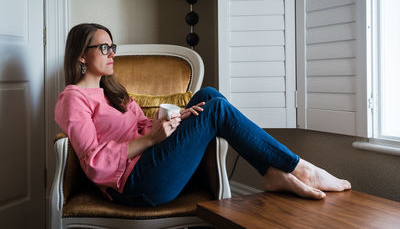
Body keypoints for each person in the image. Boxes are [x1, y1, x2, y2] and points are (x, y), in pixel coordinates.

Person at [55, 23, 351, 207]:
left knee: (208, 96)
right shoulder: (73, 98)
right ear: (82, 54)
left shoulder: (115, 92)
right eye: (103, 47)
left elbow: (142, 127)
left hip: (153, 162)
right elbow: (93, 162)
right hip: (135, 185)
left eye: (112, 47)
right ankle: (299, 169)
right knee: (217, 109)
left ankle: (274, 173)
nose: (111, 54)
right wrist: (151, 140)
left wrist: (179, 119)